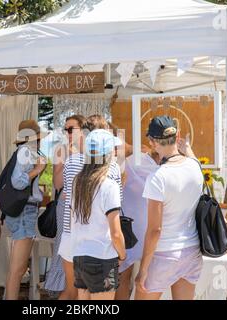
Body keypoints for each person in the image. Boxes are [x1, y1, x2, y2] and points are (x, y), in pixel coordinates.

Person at [135, 116, 203, 300]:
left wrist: (143, 269)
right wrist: (187, 148)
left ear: (152, 142)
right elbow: (192, 157)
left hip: (164, 252)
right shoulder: (195, 167)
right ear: (177, 135)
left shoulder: (157, 177)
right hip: (191, 249)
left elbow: (155, 230)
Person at [58, 116, 123, 300]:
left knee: (73, 294)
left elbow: (68, 200)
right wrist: (122, 252)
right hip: (102, 242)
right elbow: (116, 207)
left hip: (74, 237)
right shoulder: (113, 168)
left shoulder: (70, 163)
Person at [5, 120, 48, 300]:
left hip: (23, 211)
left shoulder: (23, 152)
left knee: (18, 268)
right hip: (25, 212)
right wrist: (38, 169)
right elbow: (17, 182)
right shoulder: (26, 152)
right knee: (17, 269)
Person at [44, 115, 87, 299]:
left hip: (85, 208)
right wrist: (68, 158)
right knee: (65, 249)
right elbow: (57, 182)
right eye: (66, 130)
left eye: (71, 129)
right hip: (66, 205)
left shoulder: (91, 151)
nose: (68, 133)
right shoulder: (61, 150)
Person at [115, 149, 160, 300]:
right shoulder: (135, 161)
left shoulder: (135, 161)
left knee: (128, 277)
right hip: (132, 225)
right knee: (125, 276)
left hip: (138, 225)